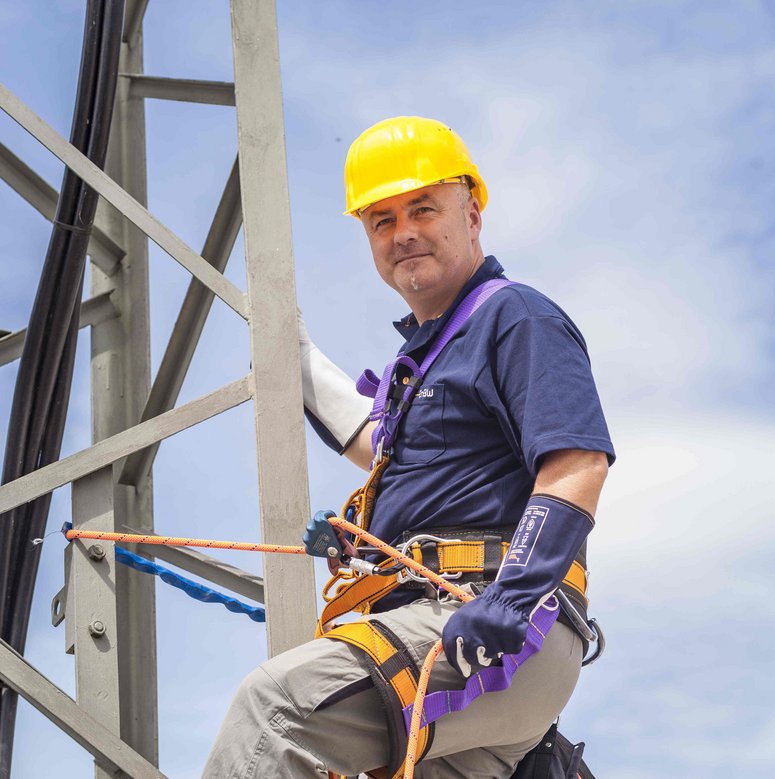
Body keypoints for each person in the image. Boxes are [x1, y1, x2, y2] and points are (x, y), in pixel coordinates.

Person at [203, 116, 614, 779]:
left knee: (277, 709)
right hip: (451, 628)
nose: (403, 233)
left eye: (423, 209)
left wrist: (511, 597)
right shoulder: (426, 362)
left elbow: (576, 463)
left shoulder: (515, 317)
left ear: (471, 214)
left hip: (498, 623)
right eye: (382, 220)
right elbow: (385, 448)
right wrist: (292, 358)